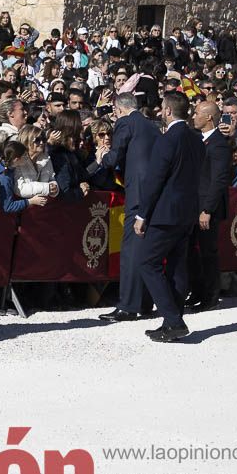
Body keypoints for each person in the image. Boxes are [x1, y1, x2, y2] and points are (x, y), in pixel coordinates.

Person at [133, 93, 205, 342]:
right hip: (187, 212)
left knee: (147, 262)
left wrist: (142, 214)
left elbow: (155, 179)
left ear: (167, 111)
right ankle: (171, 321)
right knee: (176, 267)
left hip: (165, 213)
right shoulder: (197, 140)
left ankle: (173, 320)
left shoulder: (167, 140)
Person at [92, 93, 158, 322]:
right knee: (147, 248)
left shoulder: (125, 122)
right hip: (153, 192)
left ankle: (128, 306)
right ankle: (146, 302)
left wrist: (102, 157)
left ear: (118, 109)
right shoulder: (151, 126)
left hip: (137, 194)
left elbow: (115, 156)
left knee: (130, 249)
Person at [185, 100, 231, 313]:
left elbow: (219, 180)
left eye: (197, 113)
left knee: (207, 253)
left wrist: (207, 210)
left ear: (209, 117)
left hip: (207, 210)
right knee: (192, 253)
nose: (193, 116)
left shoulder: (219, 144)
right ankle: (197, 291)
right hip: (193, 206)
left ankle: (211, 296)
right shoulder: (197, 140)